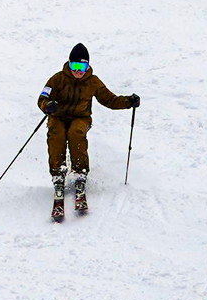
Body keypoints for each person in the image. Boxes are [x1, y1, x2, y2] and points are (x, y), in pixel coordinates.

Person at [36, 43, 139, 220]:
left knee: (76, 133)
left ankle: (80, 173)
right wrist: (48, 106)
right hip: (58, 117)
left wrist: (128, 101)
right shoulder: (57, 79)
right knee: (56, 134)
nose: (78, 71)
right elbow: (43, 97)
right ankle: (58, 175)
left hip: (80, 118)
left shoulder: (93, 82)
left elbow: (110, 100)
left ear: (88, 66)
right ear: (69, 64)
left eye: (82, 66)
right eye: (74, 66)